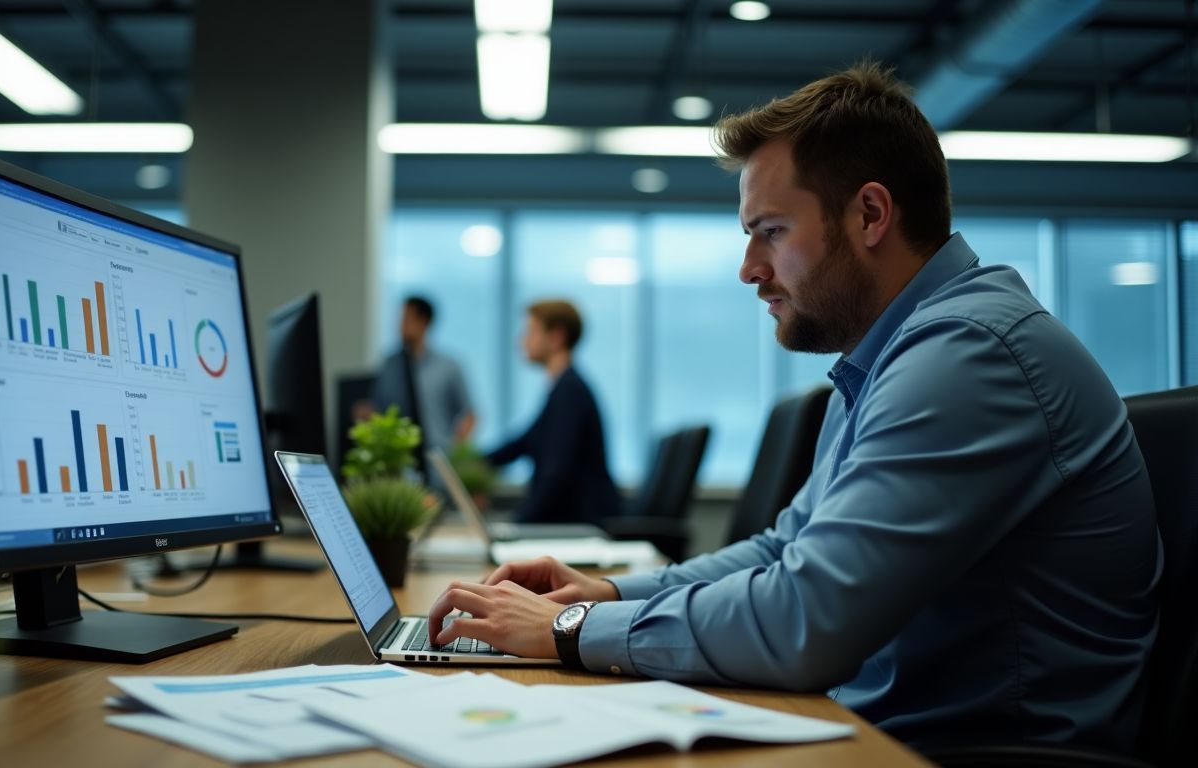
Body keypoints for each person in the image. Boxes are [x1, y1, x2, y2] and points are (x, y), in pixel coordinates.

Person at [426, 62, 1161, 752]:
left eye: (771, 232)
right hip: (882, 730)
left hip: (971, 753)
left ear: (869, 214)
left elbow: (806, 617)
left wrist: (573, 626)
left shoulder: (969, 355)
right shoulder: (887, 359)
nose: (750, 270)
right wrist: (607, 592)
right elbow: (785, 549)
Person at [486, 300, 621, 526]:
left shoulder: (570, 392)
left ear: (556, 337)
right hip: (571, 521)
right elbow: (522, 443)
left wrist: (518, 523)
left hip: (582, 525)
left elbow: (556, 473)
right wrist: (468, 465)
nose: (521, 340)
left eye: (530, 332)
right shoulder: (561, 389)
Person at [368, 296, 475, 455]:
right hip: (399, 457)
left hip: (438, 455)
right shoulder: (389, 366)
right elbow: (377, 409)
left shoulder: (448, 367)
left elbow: (469, 415)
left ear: (424, 322)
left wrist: (456, 450)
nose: (400, 326)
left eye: (406, 319)